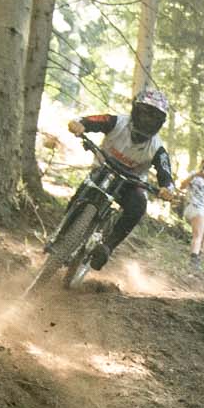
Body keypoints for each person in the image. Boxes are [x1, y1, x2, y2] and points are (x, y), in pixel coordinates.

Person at [61, 86, 175, 270]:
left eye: (154, 116)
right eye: (145, 112)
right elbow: (89, 121)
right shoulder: (116, 122)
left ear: (160, 122)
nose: (147, 119)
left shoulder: (157, 148)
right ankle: (62, 234)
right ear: (136, 110)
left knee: (139, 205)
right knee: (83, 193)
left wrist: (167, 189)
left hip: (130, 183)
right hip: (102, 171)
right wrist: (79, 124)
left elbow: (166, 173)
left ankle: (107, 247)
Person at [181, 160, 204, 268]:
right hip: (194, 208)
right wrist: (196, 174)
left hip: (200, 211)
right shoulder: (193, 175)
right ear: (200, 166)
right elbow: (182, 186)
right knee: (198, 236)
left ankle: (198, 255)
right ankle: (193, 263)